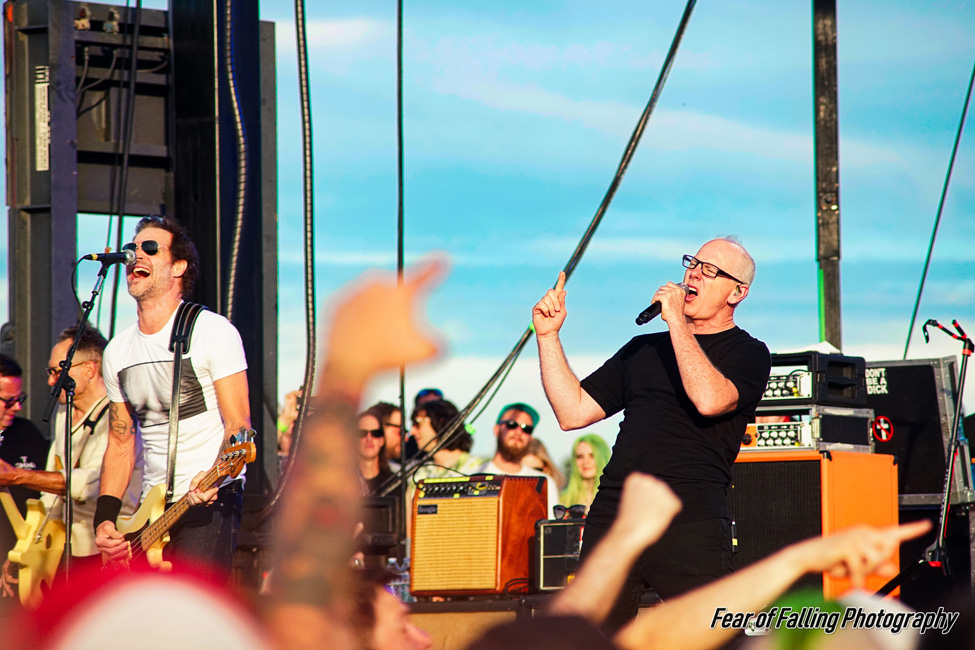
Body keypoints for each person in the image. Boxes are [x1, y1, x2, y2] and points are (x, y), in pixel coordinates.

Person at [533, 237, 772, 628]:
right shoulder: (643, 349)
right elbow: (572, 412)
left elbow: (710, 400)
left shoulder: (747, 352)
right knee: (589, 637)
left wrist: (677, 320)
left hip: (688, 519)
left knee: (711, 634)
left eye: (709, 270)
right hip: (614, 515)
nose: (693, 273)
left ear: (738, 292)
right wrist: (548, 337)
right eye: (692, 263)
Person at [94, 215, 251, 580]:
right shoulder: (118, 351)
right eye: (133, 249)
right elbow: (120, 442)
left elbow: (238, 426)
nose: (136, 256)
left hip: (208, 499)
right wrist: (105, 520)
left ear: (178, 266)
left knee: (193, 623)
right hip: (150, 510)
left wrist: (213, 478)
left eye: (151, 248)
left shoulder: (212, 332)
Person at [0, 327, 143, 596]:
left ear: (90, 369)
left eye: (58, 371)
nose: (51, 382)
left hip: (109, 549)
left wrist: (17, 475)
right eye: (50, 372)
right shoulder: (63, 417)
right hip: (68, 552)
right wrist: (25, 551)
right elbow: (50, 500)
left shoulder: (119, 415)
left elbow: (94, 483)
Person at [0, 355, 49, 573]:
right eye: (9, 400)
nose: (18, 407)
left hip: (23, 560)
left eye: (21, 398)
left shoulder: (27, 433)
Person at [476, 403, 558, 518]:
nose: (518, 432)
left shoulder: (544, 483)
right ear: (496, 430)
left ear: (531, 438)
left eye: (527, 428)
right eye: (511, 424)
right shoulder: (472, 476)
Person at [559, 433, 611, 513]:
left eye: (592, 455)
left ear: (602, 458)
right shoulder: (563, 501)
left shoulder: (616, 497)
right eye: (580, 456)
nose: (585, 462)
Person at [358, 407, 394, 495]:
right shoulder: (342, 483)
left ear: (382, 440)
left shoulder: (395, 484)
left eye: (375, 433)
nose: (369, 438)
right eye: (362, 433)